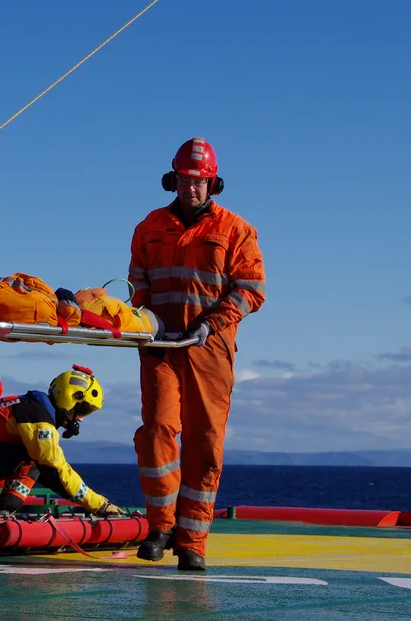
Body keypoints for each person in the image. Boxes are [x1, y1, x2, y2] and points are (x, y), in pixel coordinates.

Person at [127, 137, 266, 570]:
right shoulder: (148, 227)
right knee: (157, 431)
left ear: (213, 183)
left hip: (210, 347)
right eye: (186, 180)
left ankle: (193, 542)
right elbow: (137, 283)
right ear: (174, 179)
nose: (192, 188)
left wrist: (212, 323)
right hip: (161, 345)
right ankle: (160, 526)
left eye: (200, 181)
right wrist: (148, 318)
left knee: (206, 442)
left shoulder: (236, 230)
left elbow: (252, 290)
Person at [0, 364, 124, 517]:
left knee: (33, 462)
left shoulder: (34, 411)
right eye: (83, 410)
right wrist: (100, 506)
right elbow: (56, 471)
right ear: (70, 399)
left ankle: (4, 512)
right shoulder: (37, 420)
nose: (81, 418)